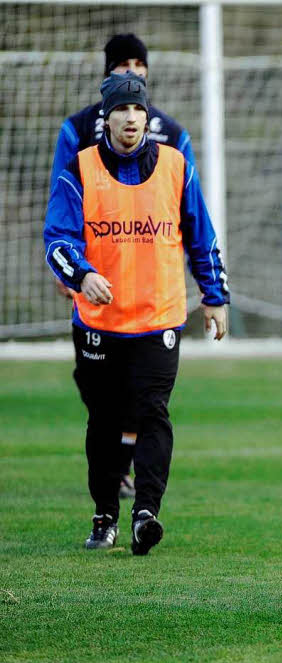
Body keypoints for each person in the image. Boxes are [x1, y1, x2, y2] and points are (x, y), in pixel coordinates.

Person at [44, 72, 229, 555]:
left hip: (159, 317)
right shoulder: (80, 168)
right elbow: (57, 239)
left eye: (139, 110)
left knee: (153, 414)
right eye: (122, 110)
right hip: (100, 324)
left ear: (148, 116)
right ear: (107, 117)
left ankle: (146, 513)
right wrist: (81, 275)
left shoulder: (175, 164)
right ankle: (105, 513)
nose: (131, 118)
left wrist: (215, 296)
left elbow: (200, 235)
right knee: (104, 422)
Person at [49, 33, 198, 500]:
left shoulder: (173, 137)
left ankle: (128, 471)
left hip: (153, 296)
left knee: (147, 400)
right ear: (106, 75)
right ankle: (113, 470)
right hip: (94, 284)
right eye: (121, 64)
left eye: (139, 63)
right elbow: (62, 208)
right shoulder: (76, 132)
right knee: (99, 397)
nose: (131, 71)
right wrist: (70, 271)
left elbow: (188, 212)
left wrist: (210, 289)